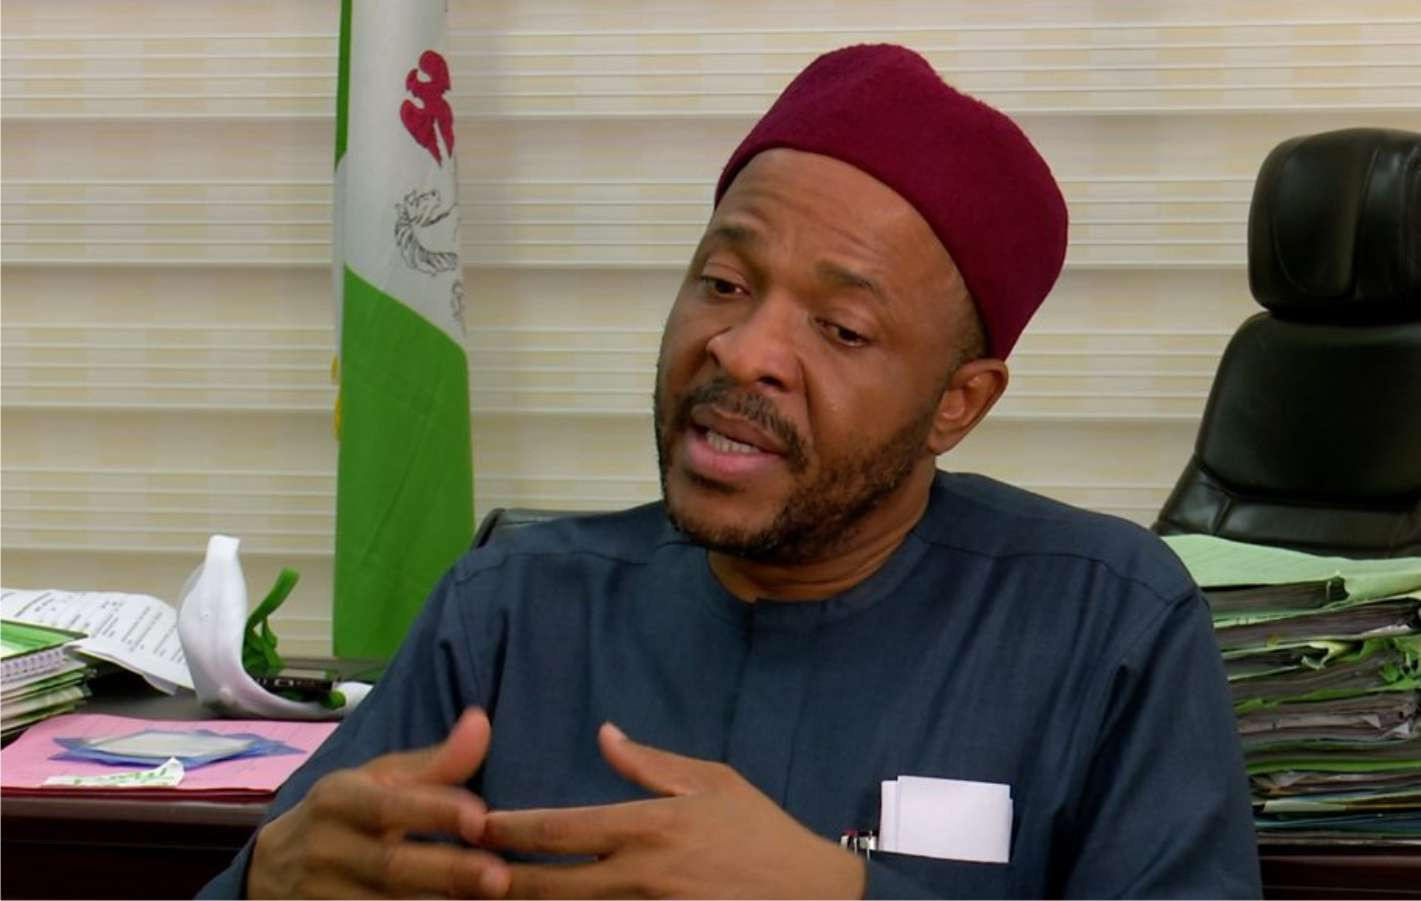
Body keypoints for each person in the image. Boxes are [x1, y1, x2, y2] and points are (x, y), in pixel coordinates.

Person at [202, 44, 1261, 899]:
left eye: (840, 328)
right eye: (722, 281)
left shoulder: (1105, 623)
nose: (743, 349)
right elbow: (312, 861)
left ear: (958, 403)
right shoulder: (511, 611)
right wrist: (264, 879)